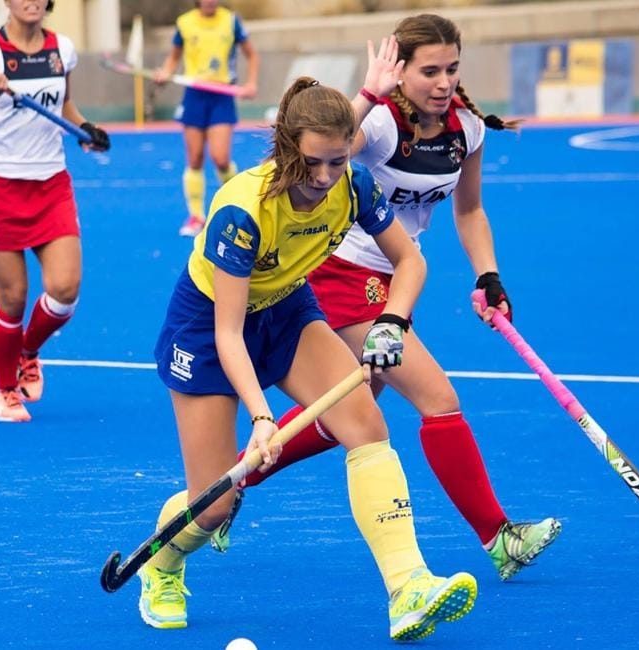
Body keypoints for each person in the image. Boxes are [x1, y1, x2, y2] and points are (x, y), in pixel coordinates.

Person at [139, 77, 477, 641]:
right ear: (285, 146)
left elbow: (410, 261)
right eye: (311, 163)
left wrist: (391, 321)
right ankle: (163, 564)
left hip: (287, 309)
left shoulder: (355, 187)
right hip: (207, 327)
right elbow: (228, 333)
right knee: (215, 504)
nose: (323, 178)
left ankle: (408, 586)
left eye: (337, 162)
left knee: (366, 424)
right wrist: (262, 416)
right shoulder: (242, 210)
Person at [226, 16, 561, 581]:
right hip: (339, 272)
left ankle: (232, 483)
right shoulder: (381, 124)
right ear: (401, 71)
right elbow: (318, 152)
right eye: (429, 71)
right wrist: (367, 94)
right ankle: (498, 537)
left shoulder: (467, 130)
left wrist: (489, 275)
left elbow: (470, 211)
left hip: (397, 276)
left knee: (348, 409)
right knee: (438, 398)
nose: (443, 82)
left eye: (451, 69)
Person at [0, 0, 110, 422]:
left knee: (65, 288)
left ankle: (26, 351)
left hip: (50, 184)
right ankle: (4, 390)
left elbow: (64, 104)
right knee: (12, 299)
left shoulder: (63, 48)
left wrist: (84, 129)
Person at [153, 0, 259, 237]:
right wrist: (165, 73)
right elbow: (174, 58)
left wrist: (251, 83)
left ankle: (238, 204)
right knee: (195, 158)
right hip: (194, 95)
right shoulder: (185, 23)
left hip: (222, 95)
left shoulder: (231, 21)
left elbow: (251, 54)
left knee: (221, 158)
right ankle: (196, 216)